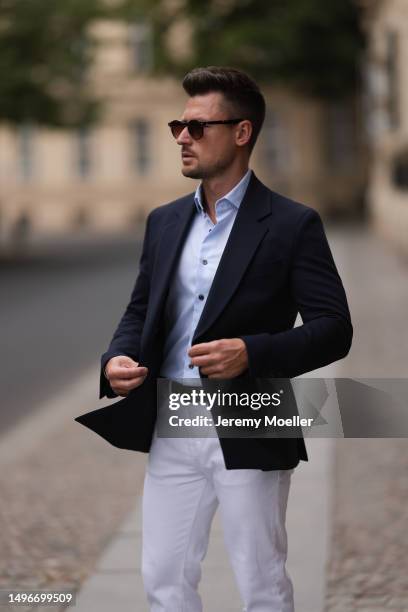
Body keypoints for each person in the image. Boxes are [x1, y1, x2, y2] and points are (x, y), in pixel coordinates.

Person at [75, 66, 352, 611]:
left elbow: (334, 329)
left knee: (261, 581)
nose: (182, 136)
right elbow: (139, 311)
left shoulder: (292, 224)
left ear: (242, 133)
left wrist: (254, 351)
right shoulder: (164, 222)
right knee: (163, 576)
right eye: (179, 125)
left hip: (252, 413)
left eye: (198, 127)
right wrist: (118, 357)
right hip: (171, 416)